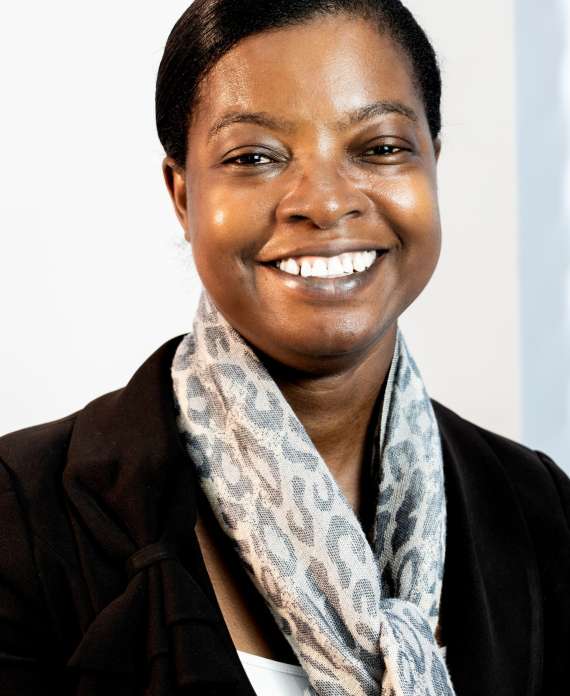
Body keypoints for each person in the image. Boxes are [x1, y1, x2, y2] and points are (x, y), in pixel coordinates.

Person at [0, 1, 568, 694]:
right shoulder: (20, 516)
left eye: (381, 148)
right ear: (182, 195)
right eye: (254, 157)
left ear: (433, 167)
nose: (324, 203)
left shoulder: (540, 510)